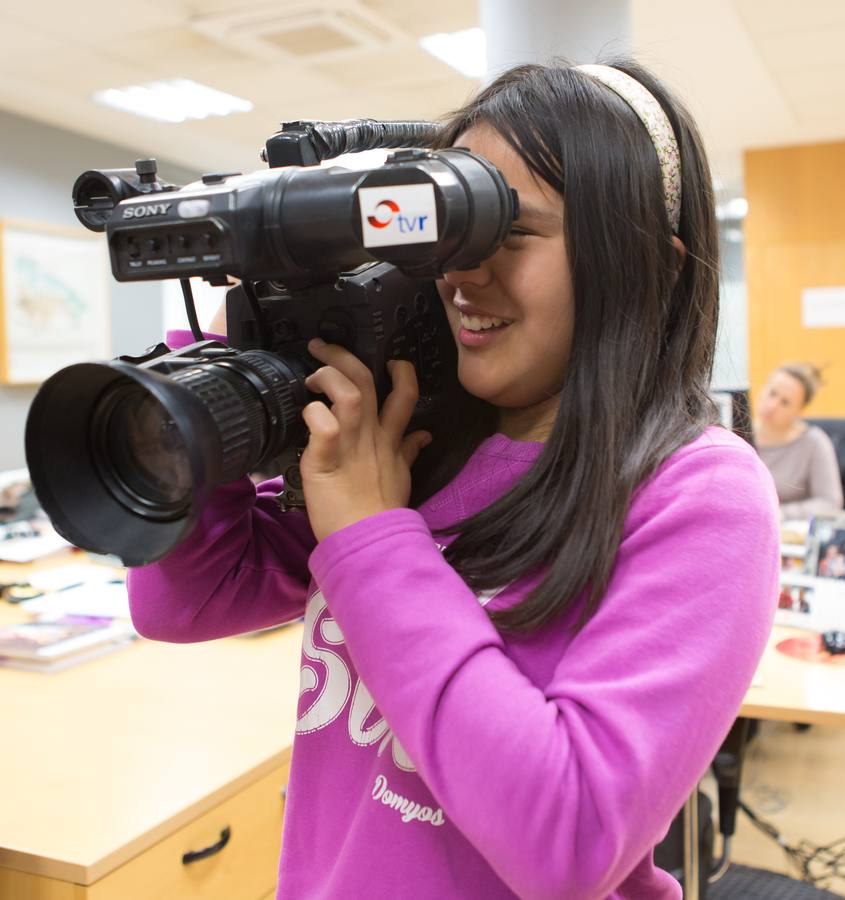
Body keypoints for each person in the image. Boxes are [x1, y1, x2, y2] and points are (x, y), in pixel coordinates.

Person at [127, 60, 780, 899]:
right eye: (447, 237)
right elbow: (184, 602)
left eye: (511, 235)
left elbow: (568, 840)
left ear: (650, 265)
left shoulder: (697, 495)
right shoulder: (417, 442)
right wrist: (225, 357)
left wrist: (371, 537)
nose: (462, 274)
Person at [754, 362, 844, 519]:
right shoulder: (738, 435)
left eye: (785, 402)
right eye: (772, 393)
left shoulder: (814, 442)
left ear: (799, 410)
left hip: (789, 534)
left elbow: (830, 503)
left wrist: (781, 513)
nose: (772, 405)